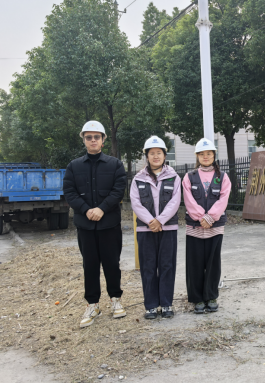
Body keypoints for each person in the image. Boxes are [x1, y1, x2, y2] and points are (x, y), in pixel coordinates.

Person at [63, 121, 127, 328]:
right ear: (84, 139)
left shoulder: (115, 165)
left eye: (96, 137)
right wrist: (86, 209)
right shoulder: (74, 166)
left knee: (112, 264)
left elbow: (118, 190)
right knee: (89, 265)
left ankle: (115, 300)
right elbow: (69, 192)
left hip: (109, 224)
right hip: (86, 226)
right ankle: (92, 305)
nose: (93, 140)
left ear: (103, 140)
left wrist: (101, 209)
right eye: (89, 137)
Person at [130, 136, 181, 320]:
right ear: (147, 156)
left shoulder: (174, 177)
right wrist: (151, 221)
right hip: (146, 230)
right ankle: (151, 306)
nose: (156, 156)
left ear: (165, 155)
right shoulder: (138, 179)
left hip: (168, 229)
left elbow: (175, 201)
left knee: (167, 265)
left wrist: (160, 220)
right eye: (152, 153)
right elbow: (135, 203)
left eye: (159, 153)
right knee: (148, 267)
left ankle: (166, 304)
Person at [182, 138, 231, 314]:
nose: (205, 156)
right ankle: (197, 299)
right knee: (194, 263)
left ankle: (211, 296)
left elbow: (223, 199)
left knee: (213, 263)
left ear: (214, 155)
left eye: (209, 153)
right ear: (197, 156)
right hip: (194, 228)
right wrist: (201, 217)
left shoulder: (222, 177)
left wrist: (210, 217)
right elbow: (188, 199)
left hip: (215, 228)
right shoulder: (189, 177)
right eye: (202, 154)